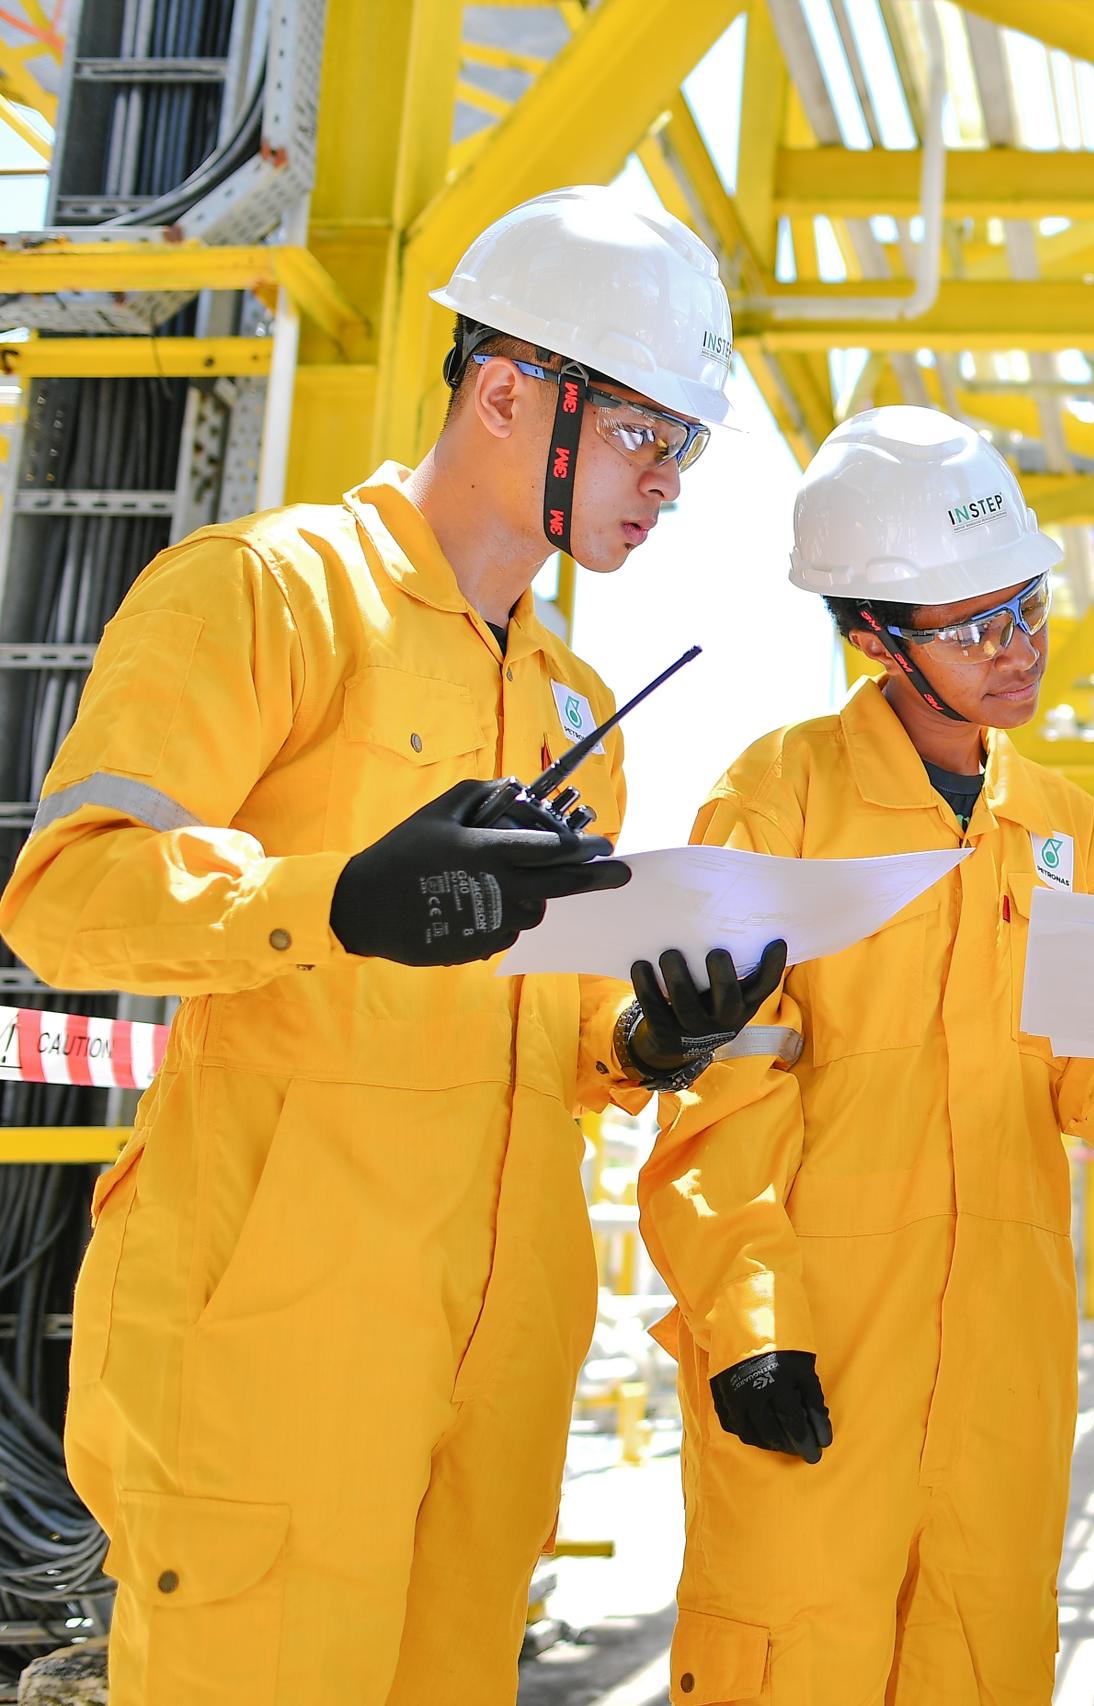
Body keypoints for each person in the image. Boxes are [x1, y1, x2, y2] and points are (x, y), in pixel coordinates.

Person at [0, 185, 779, 1703]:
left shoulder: (574, 705)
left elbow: (539, 1028)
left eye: (684, 447)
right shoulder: (265, 593)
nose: (667, 482)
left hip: (495, 1357)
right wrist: (340, 897)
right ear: (508, 391)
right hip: (280, 1346)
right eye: (644, 432)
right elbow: (67, 894)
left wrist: (643, 1040)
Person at [636, 405, 1094, 1704]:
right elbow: (723, 1088)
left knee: (984, 1656)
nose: (1020, 648)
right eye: (974, 627)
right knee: (795, 1655)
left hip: (1004, 1355)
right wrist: (749, 1323)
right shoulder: (779, 798)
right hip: (822, 1338)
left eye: (1028, 606)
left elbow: (1082, 1083)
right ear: (872, 637)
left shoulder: (1061, 825)